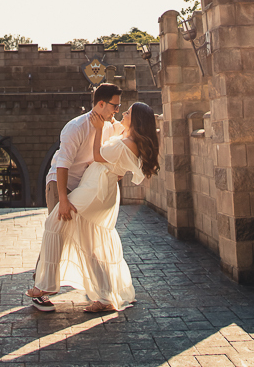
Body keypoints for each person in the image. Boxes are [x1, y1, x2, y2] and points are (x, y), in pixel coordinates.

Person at [27, 101, 160, 314]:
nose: (123, 114)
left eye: (128, 113)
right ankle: (106, 297)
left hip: (94, 190)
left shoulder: (129, 143)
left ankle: (46, 285)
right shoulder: (128, 139)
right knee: (91, 241)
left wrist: (98, 130)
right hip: (99, 188)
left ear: (136, 121)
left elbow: (98, 155)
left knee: (55, 222)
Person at [45, 82, 122, 217]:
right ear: (101, 104)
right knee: (60, 232)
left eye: (119, 106)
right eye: (115, 106)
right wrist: (63, 200)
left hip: (82, 189)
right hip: (61, 185)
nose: (117, 110)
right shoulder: (76, 127)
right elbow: (62, 164)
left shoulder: (108, 127)